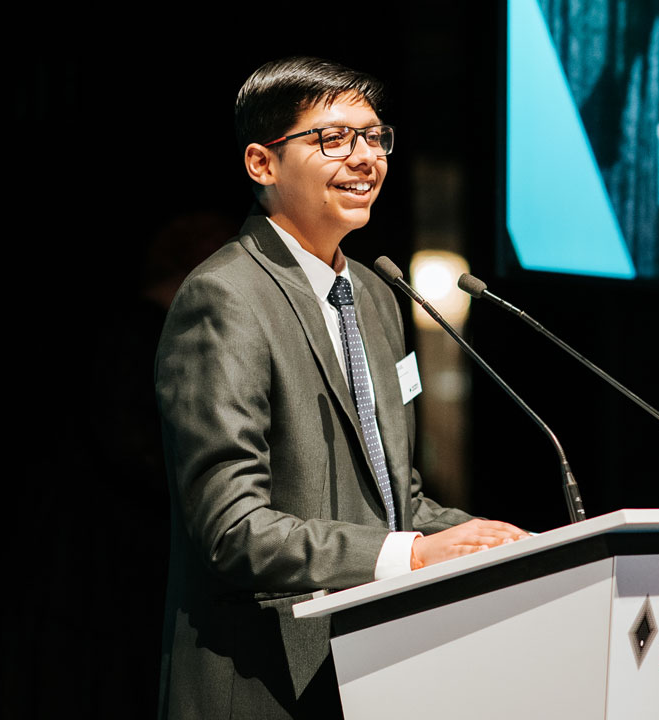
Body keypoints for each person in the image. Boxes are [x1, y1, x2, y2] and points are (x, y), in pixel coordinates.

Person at [154, 57, 528, 719]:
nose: (365, 158)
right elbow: (233, 530)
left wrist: (493, 540)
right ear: (260, 164)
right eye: (334, 139)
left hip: (376, 668)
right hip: (266, 679)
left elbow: (395, 498)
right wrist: (415, 552)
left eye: (375, 137)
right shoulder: (225, 297)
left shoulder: (378, 295)